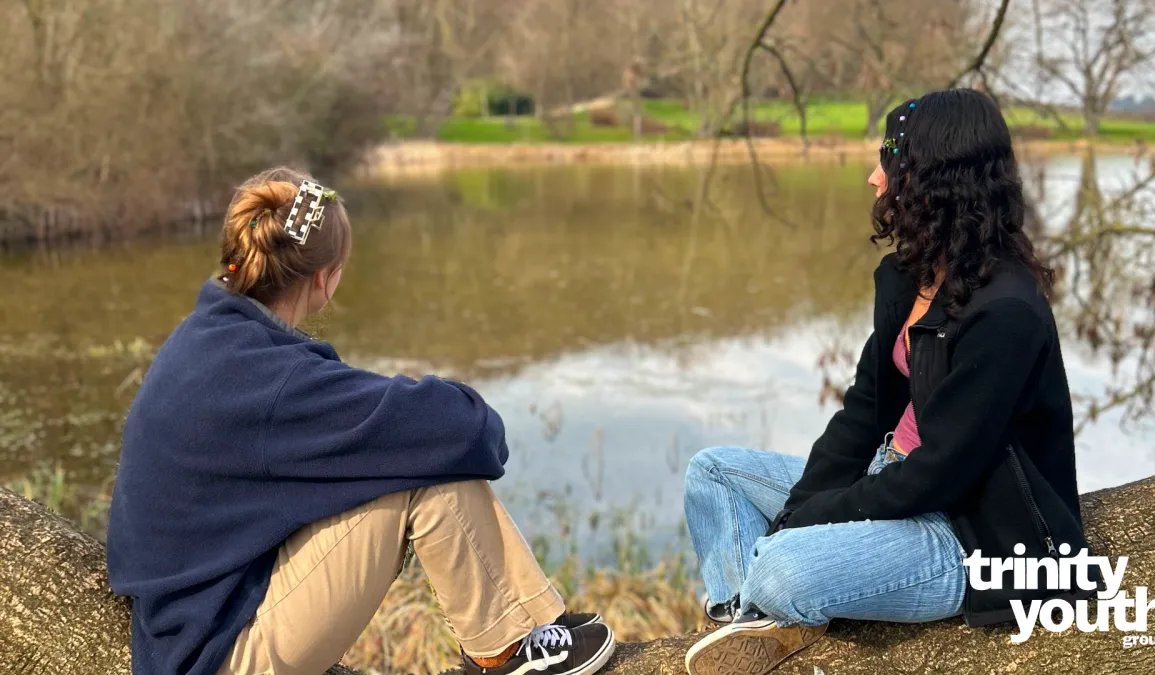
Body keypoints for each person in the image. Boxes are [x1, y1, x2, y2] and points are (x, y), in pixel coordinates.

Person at [107, 167, 615, 675]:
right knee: (427, 467)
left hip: (190, 625)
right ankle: (506, 648)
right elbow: (467, 429)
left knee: (408, 447)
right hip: (218, 654)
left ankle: (521, 626)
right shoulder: (270, 381)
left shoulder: (207, 337)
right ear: (325, 279)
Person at [681, 89, 1095, 675]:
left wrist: (817, 520)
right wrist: (801, 508)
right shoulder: (913, 276)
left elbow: (943, 473)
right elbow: (864, 412)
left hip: (967, 529)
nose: (874, 177)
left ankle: (764, 600)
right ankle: (747, 623)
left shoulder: (1006, 312)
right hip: (891, 476)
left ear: (936, 177)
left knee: (782, 566)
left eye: (890, 160)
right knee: (713, 473)